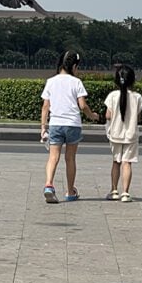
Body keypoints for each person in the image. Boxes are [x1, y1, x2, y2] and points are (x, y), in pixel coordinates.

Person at [40, 51, 100, 204]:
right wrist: (92, 115)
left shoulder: (51, 81)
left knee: (53, 157)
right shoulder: (76, 82)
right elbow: (82, 105)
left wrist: (43, 127)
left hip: (55, 123)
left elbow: (45, 106)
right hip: (72, 124)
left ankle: (49, 185)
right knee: (70, 158)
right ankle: (70, 191)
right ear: (74, 66)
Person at [104, 64, 142, 203]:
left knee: (116, 162)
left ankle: (114, 190)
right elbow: (138, 118)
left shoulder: (112, 96)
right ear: (132, 80)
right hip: (131, 134)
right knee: (127, 163)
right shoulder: (137, 97)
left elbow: (108, 115)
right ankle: (125, 193)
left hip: (115, 133)